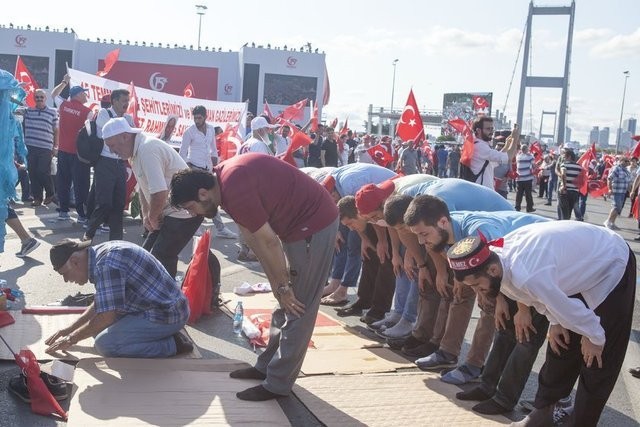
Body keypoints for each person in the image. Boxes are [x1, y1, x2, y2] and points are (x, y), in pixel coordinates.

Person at [169, 154, 338, 401]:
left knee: (299, 307)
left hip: (313, 224)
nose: (194, 214)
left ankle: (278, 385)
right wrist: (278, 285)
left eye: (190, 207)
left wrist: (283, 285)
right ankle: (267, 367)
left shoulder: (235, 187)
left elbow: (269, 242)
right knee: (286, 302)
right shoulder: (224, 184)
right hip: (296, 226)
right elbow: (253, 240)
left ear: (202, 193)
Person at [446, 221, 635, 427]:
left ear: (491, 270)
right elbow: (541, 299)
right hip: (571, 270)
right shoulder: (497, 260)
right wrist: (556, 322)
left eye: (476, 285)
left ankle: (583, 422)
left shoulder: (527, 272)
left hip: (609, 262)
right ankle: (543, 413)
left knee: (599, 357)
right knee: (560, 342)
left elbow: (563, 305)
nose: (477, 291)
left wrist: (595, 337)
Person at [45, 238, 192, 358]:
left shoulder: (107, 264)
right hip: (156, 306)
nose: (66, 280)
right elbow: (100, 304)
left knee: (105, 344)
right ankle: (158, 336)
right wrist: (69, 330)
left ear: (75, 261)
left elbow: (106, 317)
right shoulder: (100, 255)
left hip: (168, 314)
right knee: (94, 332)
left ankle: (173, 344)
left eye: (64, 273)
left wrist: (71, 338)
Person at [101, 117, 203, 279]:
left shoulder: (147, 149)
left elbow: (160, 192)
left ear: (125, 136)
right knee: (145, 256)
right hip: (168, 210)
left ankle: (167, 300)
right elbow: (144, 187)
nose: (112, 151)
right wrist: (147, 214)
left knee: (160, 259)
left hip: (184, 211)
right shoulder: (134, 154)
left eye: (112, 146)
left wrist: (153, 216)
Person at [180, 106, 236, 239]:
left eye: (199, 118)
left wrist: (216, 165)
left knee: (212, 198)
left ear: (205, 117)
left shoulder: (211, 129)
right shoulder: (189, 132)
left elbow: (214, 149)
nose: (197, 120)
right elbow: (182, 153)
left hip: (208, 169)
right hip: (194, 168)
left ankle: (221, 229)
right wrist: (188, 170)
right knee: (197, 199)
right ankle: (196, 228)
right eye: (195, 118)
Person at [83, 89, 131, 241]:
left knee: (119, 204)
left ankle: (116, 242)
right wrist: (125, 126)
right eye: (123, 100)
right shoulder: (104, 113)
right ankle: (88, 235)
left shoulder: (128, 117)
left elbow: (130, 136)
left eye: (127, 101)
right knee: (104, 203)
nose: (126, 104)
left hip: (120, 163)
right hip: (105, 162)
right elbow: (112, 131)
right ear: (114, 101)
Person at [51, 79, 93, 222]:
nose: (86, 96)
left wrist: (63, 82)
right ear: (79, 94)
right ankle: (81, 215)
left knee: (63, 182)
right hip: (78, 155)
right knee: (81, 184)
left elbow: (53, 94)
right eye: (84, 94)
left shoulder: (63, 105)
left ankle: (63, 212)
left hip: (63, 151)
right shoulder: (88, 112)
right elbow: (91, 134)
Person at [22, 89, 58, 207]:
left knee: (42, 171)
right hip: (30, 147)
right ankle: (37, 198)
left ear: (45, 98)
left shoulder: (53, 112)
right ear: (34, 98)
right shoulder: (28, 111)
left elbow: (56, 130)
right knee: (32, 172)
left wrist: (55, 146)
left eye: (41, 97)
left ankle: (50, 193)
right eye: (37, 97)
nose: (39, 99)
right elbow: (12, 106)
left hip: (45, 147)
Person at [469, 118, 519, 188]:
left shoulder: (479, 144)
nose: (491, 132)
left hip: (482, 191)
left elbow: (495, 161)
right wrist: (515, 139)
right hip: (482, 192)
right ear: (478, 130)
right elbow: (509, 157)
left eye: (492, 129)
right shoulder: (480, 146)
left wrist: (507, 146)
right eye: (488, 129)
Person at [604, 157, 631, 230]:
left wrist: (630, 191)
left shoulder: (626, 170)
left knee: (618, 208)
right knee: (615, 206)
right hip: (616, 191)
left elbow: (627, 182)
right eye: (626, 161)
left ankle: (612, 223)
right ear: (621, 161)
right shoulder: (616, 168)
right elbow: (609, 179)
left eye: (628, 161)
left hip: (623, 192)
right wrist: (610, 189)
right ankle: (608, 222)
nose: (627, 163)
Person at [514, 144, 536, 213]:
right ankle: (529, 208)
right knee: (528, 194)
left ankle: (517, 207)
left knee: (519, 194)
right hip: (527, 178)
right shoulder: (530, 156)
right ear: (526, 149)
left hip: (519, 178)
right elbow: (534, 166)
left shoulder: (518, 156)